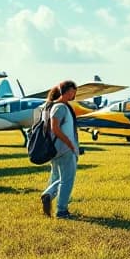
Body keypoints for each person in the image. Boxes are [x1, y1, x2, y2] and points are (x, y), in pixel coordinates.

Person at [40, 80, 80, 219]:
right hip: (64, 149)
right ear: (68, 91)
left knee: (58, 178)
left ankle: (49, 195)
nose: (74, 94)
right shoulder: (60, 107)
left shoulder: (56, 106)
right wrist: (70, 144)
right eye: (74, 91)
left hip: (58, 149)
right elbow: (55, 128)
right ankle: (61, 210)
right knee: (67, 180)